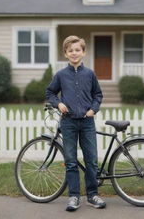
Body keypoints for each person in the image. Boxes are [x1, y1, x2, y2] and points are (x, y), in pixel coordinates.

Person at [46, 35, 106, 212]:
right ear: (65, 53)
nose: (74, 53)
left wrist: (93, 109)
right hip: (68, 122)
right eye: (70, 50)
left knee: (91, 161)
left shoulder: (90, 74)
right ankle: (73, 196)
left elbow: (98, 95)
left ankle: (92, 195)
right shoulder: (61, 75)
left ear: (83, 52)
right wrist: (59, 103)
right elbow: (50, 93)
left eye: (77, 50)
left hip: (87, 122)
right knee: (71, 161)